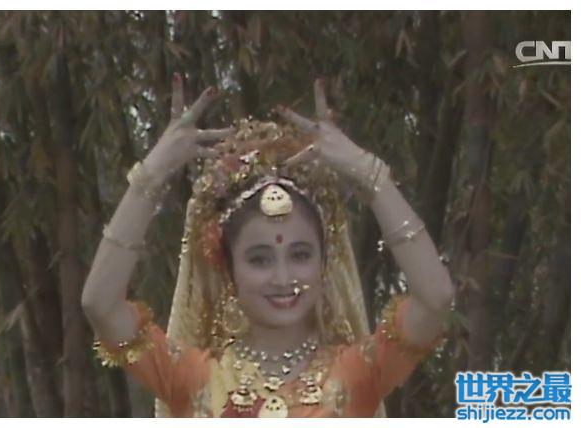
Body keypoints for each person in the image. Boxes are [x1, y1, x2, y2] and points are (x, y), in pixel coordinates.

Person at [81, 73, 454, 417]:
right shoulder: (195, 379)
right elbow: (101, 305)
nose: (282, 277)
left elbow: (436, 299)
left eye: (300, 255)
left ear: (324, 264)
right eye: (259, 260)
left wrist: (370, 173)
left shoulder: (358, 374)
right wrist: (150, 176)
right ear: (228, 268)